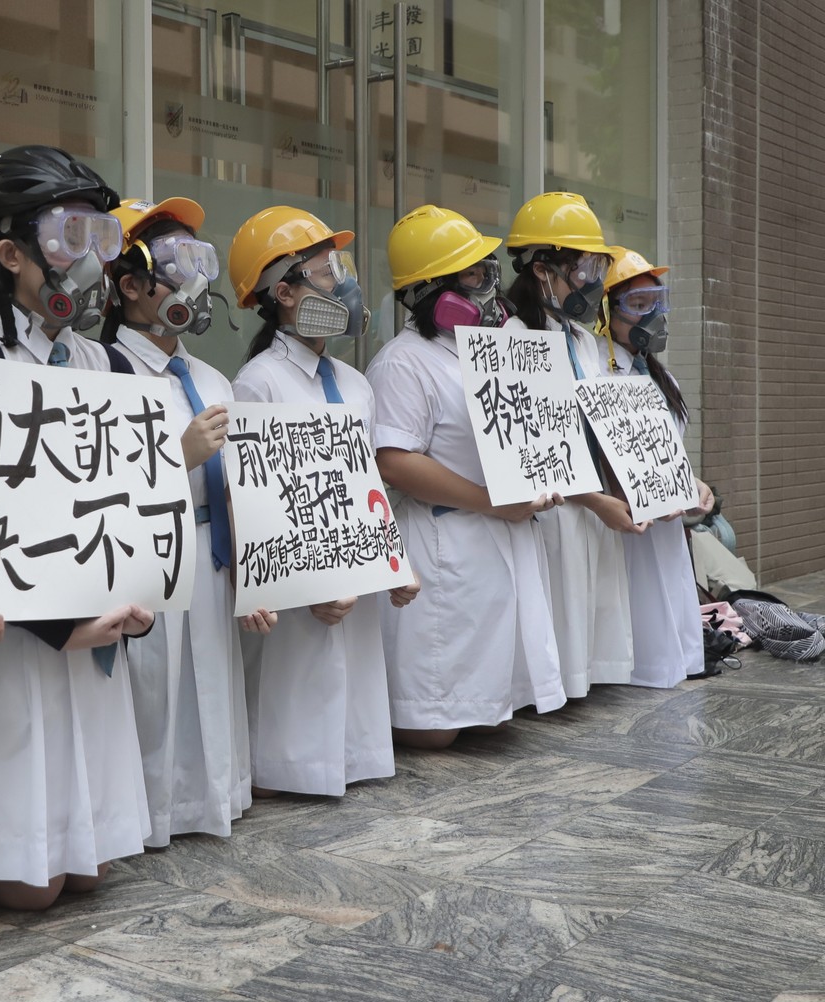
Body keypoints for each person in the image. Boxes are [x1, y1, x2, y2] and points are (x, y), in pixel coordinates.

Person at [0, 145, 153, 910]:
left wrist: (140, 598)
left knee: (89, 869)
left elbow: (136, 504)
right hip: (16, 645)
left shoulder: (110, 367)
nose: (92, 258)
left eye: (103, 236)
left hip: (98, 636)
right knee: (32, 883)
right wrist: (63, 625)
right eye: (70, 235)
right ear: (10, 253)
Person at [99, 196, 274, 845]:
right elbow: (94, 491)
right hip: (144, 555)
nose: (193, 280)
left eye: (198, 259)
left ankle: (211, 798)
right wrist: (178, 457)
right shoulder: (106, 373)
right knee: (154, 689)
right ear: (128, 285)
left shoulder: (208, 376)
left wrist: (258, 576)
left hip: (209, 550)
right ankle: (148, 815)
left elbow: (246, 492)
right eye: (175, 263)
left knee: (208, 679)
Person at [228, 207, 414, 790]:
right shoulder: (258, 382)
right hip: (298, 594)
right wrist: (306, 589)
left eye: (340, 268)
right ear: (283, 292)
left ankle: (351, 760)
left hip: (353, 583)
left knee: (351, 687)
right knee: (298, 694)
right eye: (327, 271)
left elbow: (366, 490)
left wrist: (392, 565)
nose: (344, 283)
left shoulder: (355, 384)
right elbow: (256, 503)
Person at [367, 204, 566, 748]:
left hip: (495, 538)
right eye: (473, 274)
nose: (488, 285)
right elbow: (394, 460)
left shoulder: (491, 351)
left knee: (490, 711)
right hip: (443, 538)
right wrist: (491, 501)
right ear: (433, 290)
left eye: (486, 270)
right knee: (433, 730)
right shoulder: (401, 361)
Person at [504, 192, 638, 698]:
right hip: (553, 507)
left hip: (596, 501)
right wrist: (594, 498)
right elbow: (531, 446)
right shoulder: (513, 337)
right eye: (582, 267)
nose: (594, 281)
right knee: (556, 613)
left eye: (597, 265)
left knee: (589, 626)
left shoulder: (583, 338)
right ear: (543, 270)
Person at [598, 245, 712, 686]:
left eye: (657, 302)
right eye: (637, 305)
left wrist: (693, 484)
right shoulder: (598, 375)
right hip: (626, 527)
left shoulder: (663, 378)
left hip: (667, 528)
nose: (652, 315)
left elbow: (669, 454)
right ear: (607, 312)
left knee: (670, 625)